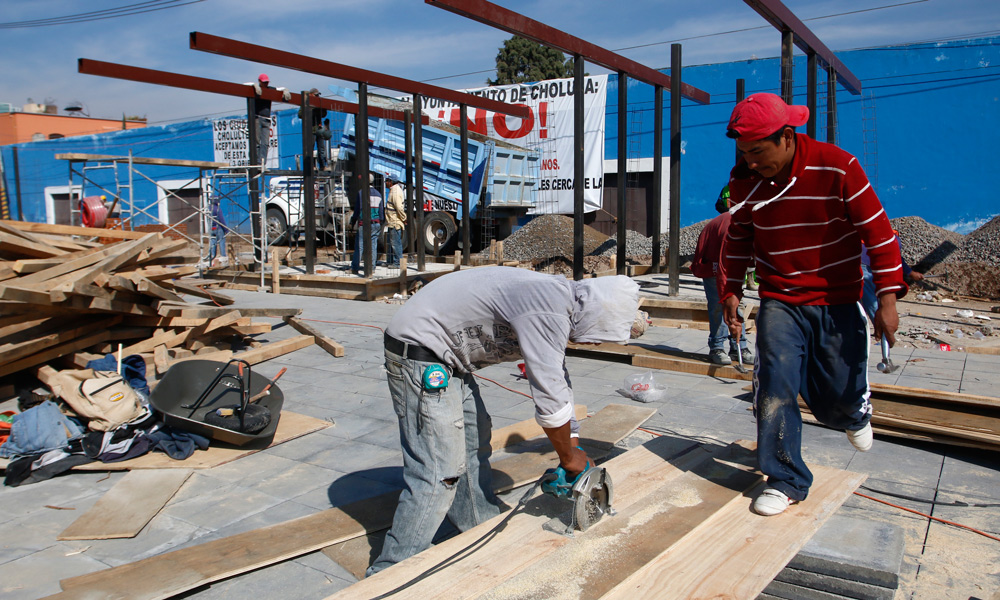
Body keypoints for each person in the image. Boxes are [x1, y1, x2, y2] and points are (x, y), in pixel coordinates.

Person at [366, 267, 650, 575]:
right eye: (599, 336)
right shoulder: (549, 311)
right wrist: (569, 458)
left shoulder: (559, 302)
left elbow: (558, 382)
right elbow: (548, 396)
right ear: (597, 316)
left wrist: (573, 445)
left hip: (446, 353)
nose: (594, 344)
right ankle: (390, 573)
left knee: (474, 442)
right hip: (419, 351)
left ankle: (477, 527)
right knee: (439, 469)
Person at [719, 93, 907, 516]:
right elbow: (739, 239)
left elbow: (880, 236)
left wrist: (889, 299)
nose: (750, 161)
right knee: (775, 385)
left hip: (838, 299)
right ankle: (785, 478)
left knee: (834, 401)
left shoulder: (839, 167)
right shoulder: (745, 182)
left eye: (757, 152)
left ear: (786, 137)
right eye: (743, 152)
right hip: (780, 299)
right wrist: (731, 288)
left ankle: (854, 411)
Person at [691, 185, 752, 366]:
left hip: (728, 262)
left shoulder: (753, 228)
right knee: (720, 305)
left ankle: (738, 347)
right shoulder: (733, 228)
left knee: (736, 306)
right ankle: (717, 347)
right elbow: (725, 269)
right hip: (713, 264)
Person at [860, 239, 924, 321]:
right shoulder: (890, 236)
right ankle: (883, 332)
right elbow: (896, 257)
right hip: (866, 265)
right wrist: (910, 273)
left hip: (861, 262)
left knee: (862, 302)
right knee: (873, 302)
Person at [350, 173, 383, 275]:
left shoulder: (361, 193)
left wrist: (353, 221)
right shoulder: (378, 194)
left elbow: (357, 210)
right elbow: (381, 212)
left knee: (360, 246)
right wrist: (380, 222)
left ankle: (355, 267)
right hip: (375, 223)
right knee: (373, 246)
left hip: (364, 223)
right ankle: (372, 268)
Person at [298, 88, 329, 170]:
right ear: (311, 94)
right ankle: (312, 165)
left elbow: (323, 115)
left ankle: (322, 165)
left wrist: (323, 108)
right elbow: (300, 114)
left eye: (318, 95)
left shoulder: (319, 103)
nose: (317, 96)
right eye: (316, 95)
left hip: (318, 129)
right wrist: (310, 109)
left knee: (321, 149)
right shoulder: (305, 102)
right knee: (310, 148)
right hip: (310, 129)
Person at [251, 73, 273, 165]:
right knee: (256, 142)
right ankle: (256, 162)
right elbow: (247, 85)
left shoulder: (270, 90)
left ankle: (261, 163)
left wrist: (285, 90)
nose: (266, 84)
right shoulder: (255, 90)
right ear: (259, 82)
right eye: (264, 82)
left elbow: (280, 89)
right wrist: (254, 86)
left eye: (267, 82)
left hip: (266, 119)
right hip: (257, 118)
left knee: (265, 143)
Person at [384, 175, 406, 267]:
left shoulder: (395, 192)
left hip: (395, 222)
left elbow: (399, 208)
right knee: (390, 243)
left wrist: (404, 218)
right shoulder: (393, 190)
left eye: (387, 181)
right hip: (391, 222)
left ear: (391, 182)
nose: (385, 183)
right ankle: (390, 261)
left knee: (395, 243)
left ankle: (398, 263)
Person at [207, 194, 228, 268]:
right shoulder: (217, 209)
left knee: (213, 242)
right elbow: (221, 220)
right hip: (218, 228)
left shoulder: (208, 209)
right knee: (222, 241)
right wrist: (226, 229)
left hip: (211, 229)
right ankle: (223, 256)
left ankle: (212, 256)